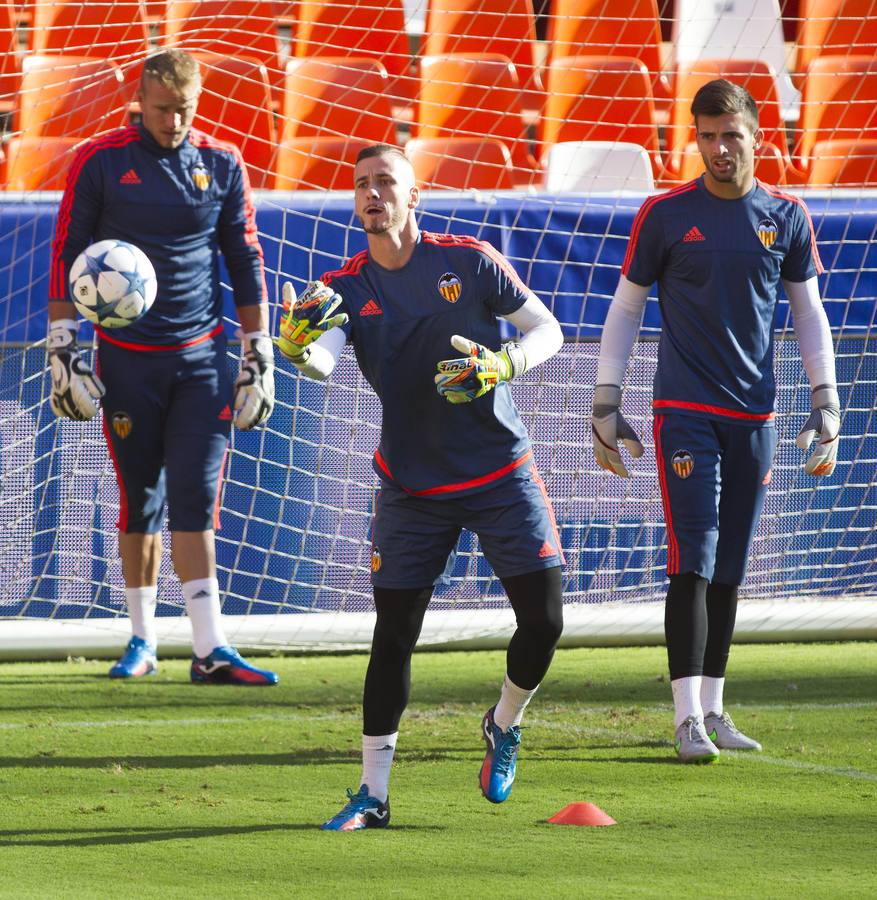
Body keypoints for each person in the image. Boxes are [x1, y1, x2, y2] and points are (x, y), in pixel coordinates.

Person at [276, 144, 565, 829]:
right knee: (393, 636)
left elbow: (546, 328)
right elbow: (322, 363)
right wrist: (292, 348)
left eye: (385, 183)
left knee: (546, 621)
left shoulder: (467, 261)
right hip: (410, 485)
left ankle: (503, 722)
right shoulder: (342, 286)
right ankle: (372, 795)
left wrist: (504, 364)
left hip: (499, 471)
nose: (372, 194)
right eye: (362, 186)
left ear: (414, 196)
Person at [592, 80, 839, 762]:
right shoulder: (664, 215)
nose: (718, 148)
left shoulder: (786, 216)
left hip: (753, 415)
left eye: (730, 134)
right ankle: (683, 719)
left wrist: (826, 399)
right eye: (706, 135)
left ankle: (715, 708)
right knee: (692, 560)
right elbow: (624, 309)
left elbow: (807, 313)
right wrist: (604, 401)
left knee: (730, 567)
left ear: (759, 137)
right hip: (683, 411)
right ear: (693, 138)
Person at [46, 49, 278, 686]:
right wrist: (64, 344)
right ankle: (142, 640)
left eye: (185, 110)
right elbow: (67, 247)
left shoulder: (223, 163)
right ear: (139, 104)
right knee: (139, 499)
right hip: (125, 362)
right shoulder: (101, 161)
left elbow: (245, 257)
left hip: (201, 360)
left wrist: (259, 350)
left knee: (197, 498)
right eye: (162, 109)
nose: (174, 121)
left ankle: (210, 646)